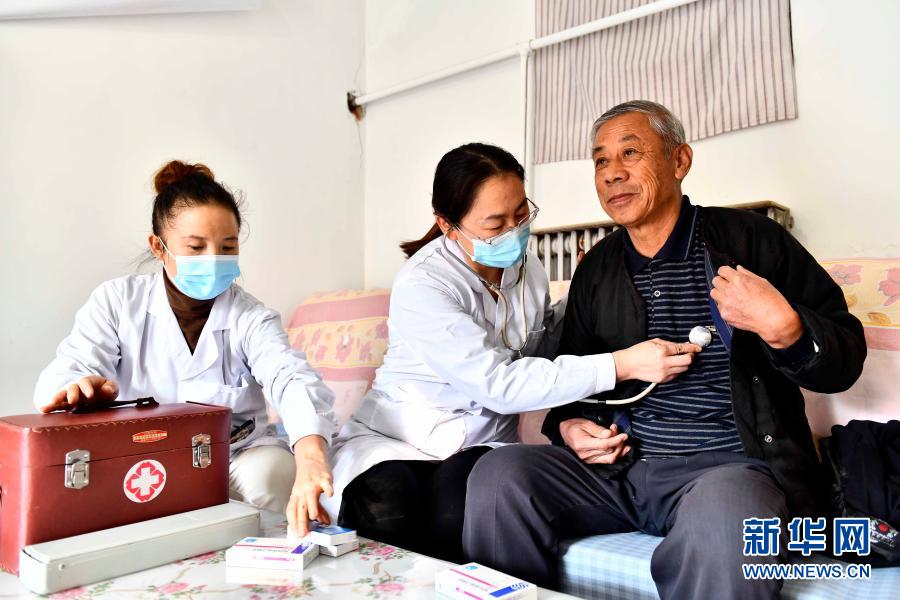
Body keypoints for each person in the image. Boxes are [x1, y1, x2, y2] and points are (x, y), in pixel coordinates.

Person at [463, 101, 867, 598]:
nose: (612, 173)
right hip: (617, 472)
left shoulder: (752, 242)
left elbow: (845, 359)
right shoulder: (598, 270)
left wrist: (786, 327)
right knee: (500, 475)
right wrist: (568, 426)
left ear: (679, 161)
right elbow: (573, 377)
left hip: (727, 471)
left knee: (727, 523)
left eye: (630, 153)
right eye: (600, 160)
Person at [324, 142, 700, 562]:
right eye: (495, 223)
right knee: (387, 506)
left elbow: (543, 343)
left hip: (481, 442)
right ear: (448, 225)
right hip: (400, 437)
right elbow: (498, 383)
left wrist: (585, 288)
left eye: (521, 214)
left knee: (459, 510)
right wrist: (622, 364)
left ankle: (460, 588)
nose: (514, 231)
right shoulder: (424, 285)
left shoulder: (528, 268)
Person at [34, 160, 336, 538]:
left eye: (227, 247)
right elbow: (71, 368)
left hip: (233, 457)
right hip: (140, 456)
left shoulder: (250, 316)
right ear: (158, 248)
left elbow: (288, 375)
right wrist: (77, 389)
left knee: (273, 472)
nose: (213, 259)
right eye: (196, 247)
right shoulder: (117, 302)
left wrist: (310, 453)